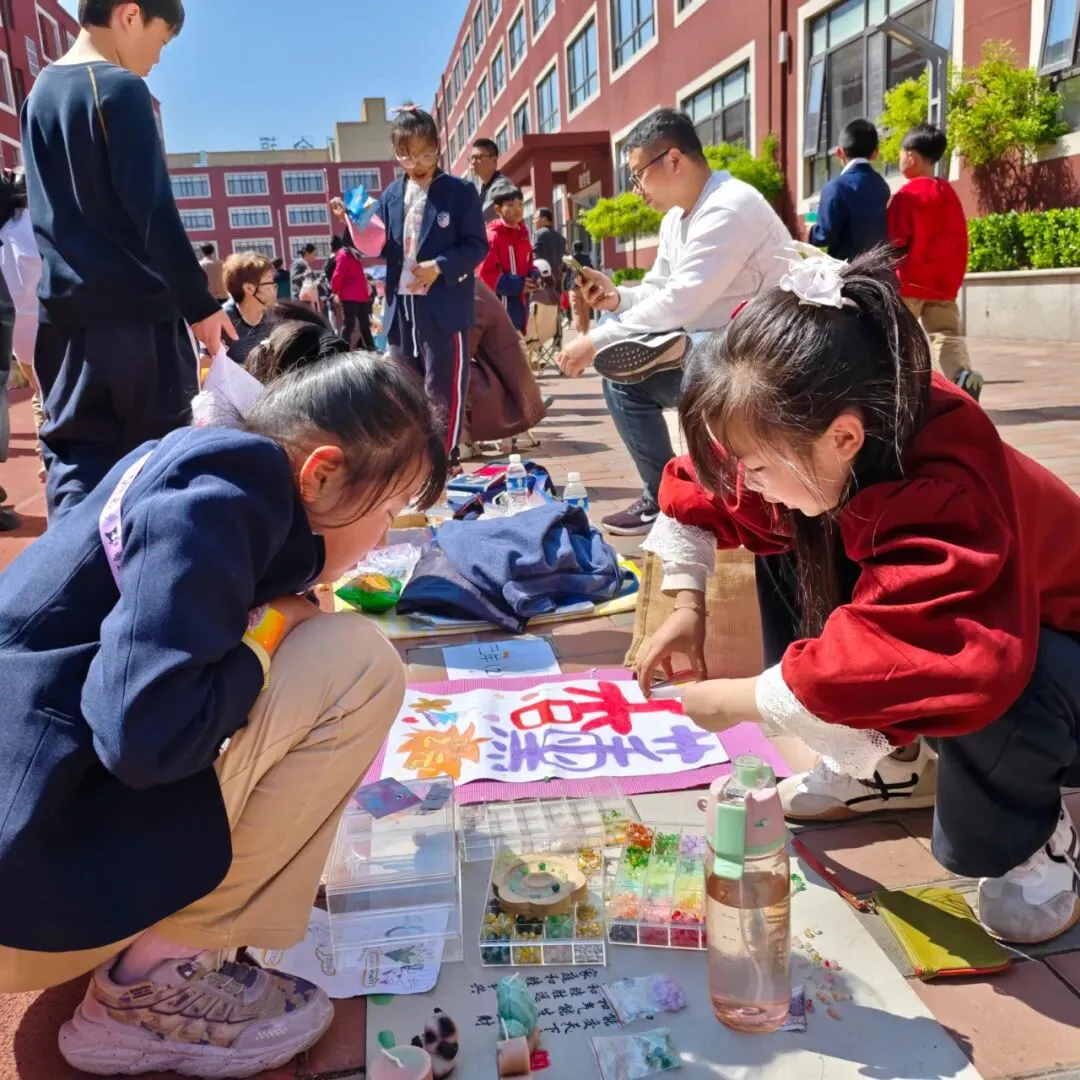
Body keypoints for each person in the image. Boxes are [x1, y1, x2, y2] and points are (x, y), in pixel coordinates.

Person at [0, 349, 447, 1078]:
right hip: (25, 895)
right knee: (355, 664)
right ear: (323, 474)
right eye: (389, 511)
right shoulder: (221, 495)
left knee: (308, 646)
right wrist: (270, 628)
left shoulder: (208, 473)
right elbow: (144, 732)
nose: (387, 539)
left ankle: (149, 940)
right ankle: (154, 990)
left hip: (31, 853)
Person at [636, 247, 1080, 944]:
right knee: (788, 529)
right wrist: (687, 607)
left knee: (978, 671)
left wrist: (741, 700)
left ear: (845, 436)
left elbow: (939, 645)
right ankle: (893, 766)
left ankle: (1030, 841)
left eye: (752, 465)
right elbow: (705, 490)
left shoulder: (947, 467)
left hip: (1051, 647)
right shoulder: (819, 418)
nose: (744, 481)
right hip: (966, 605)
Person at [21, 0, 236, 524]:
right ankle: (155, 596)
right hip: (138, 321)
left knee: (75, 462)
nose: (157, 59)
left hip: (66, 324)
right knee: (158, 470)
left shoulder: (38, 94)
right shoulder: (119, 88)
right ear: (130, 14)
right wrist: (200, 306)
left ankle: (66, 593)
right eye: (162, 41)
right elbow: (152, 209)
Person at [557, 108, 791, 536]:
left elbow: (681, 301)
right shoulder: (675, 220)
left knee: (698, 352)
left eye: (638, 175)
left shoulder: (730, 206)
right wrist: (618, 297)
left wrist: (595, 340)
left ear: (674, 160)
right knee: (624, 382)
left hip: (765, 351)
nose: (636, 190)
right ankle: (662, 498)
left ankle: (715, 497)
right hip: (715, 345)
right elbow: (662, 287)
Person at [360, 106, 487, 467]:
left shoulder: (459, 192)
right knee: (406, 390)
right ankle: (417, 461)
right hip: (402, 311)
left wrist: (440, 267)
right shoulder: (391, 195)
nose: (416, 162)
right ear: (396, 152)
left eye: (425, 153)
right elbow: (377, 244)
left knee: (442, 387)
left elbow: (476, 244)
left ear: (437, 147)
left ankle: (444, 459)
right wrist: (356, 222)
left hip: (443, 307)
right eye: (406, 155)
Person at [888, 123, 983, 401]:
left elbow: (895, 240)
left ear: (911, 156)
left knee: (898, 337)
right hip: (943, 284)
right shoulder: (948, 193)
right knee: (946, 334)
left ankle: (898, 388)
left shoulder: (906, 196)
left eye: (901, 154)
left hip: (910, 280)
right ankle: (962, 375)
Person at [807, 118, 890, 261]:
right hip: (877, 272)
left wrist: (810, 230)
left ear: (840, 152)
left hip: (846, 274)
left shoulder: (835, 187)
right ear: (875, 152)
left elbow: (824, 236)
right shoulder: (882, 186)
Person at [478, 183, 536, 335]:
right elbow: (486, 275)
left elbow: (529, 263)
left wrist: (534, 276)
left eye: (521, 204)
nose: (518, 209)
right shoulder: (492, 237)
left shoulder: (522, 233)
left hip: (521, 308)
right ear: (498, 209)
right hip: (501, 312)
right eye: (510, 204)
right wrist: (518, 285)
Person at [221, 251, 278, 366]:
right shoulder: (225, 319)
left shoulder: (273, 315)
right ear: (249, 288)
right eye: (270, 282)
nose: (274, 288)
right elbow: (206, 363)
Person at [331, 236, 376, 350]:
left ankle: (371, 347)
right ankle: (342, 350)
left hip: (360, 296)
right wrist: (335, 290)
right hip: (350, 296)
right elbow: (338, 275)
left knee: (364, 325)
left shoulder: (355, 256)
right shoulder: (344, 255)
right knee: (349, 325)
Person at [470, 136, 508, 222]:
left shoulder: (503, 186)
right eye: (472, 158)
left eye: (478, 157)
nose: (473, 162)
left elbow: (481, 216)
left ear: (494, 160)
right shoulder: (481, 189)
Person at [565, 240, 593, 334]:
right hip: (585, 286)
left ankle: (581, 333)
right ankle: (586, 332)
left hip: (574, 287)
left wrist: (566, 287)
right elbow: (591, 270)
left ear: (574, 248)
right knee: (585, 310)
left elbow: (568, 274)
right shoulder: (587, 258)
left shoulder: (571, 260)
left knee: (577, 311)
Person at [533, 207, 566, 274]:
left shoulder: (538, 234)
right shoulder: (561, 237)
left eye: (536, 218)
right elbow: (564, 261)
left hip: (543, 278)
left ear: (544, 219)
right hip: (558, 278)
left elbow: (534, 256)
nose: (534, 221)